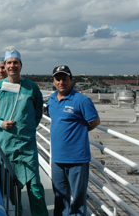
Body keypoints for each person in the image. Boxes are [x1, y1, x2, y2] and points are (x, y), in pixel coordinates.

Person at [0, 50, 49, 216]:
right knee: (13, 188)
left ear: (21, 65)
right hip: (7, 145)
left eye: (15, 62)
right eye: (9, 63)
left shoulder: (31, 87)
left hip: (27, 145)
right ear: (5, 66)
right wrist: (0, 123)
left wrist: (26, 128)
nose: (12, 66)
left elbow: (37, 112)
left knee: (35, 186)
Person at [46, 65, 101, 216]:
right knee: (59, 196)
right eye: (58, 79)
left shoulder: (81, 100)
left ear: (71, 80)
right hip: (57, 157)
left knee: (77, 199)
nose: (61, 82)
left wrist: (79, 131)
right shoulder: (51, 99)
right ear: (54, 81)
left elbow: (95, 121)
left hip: (77, 158)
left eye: (65, 79)